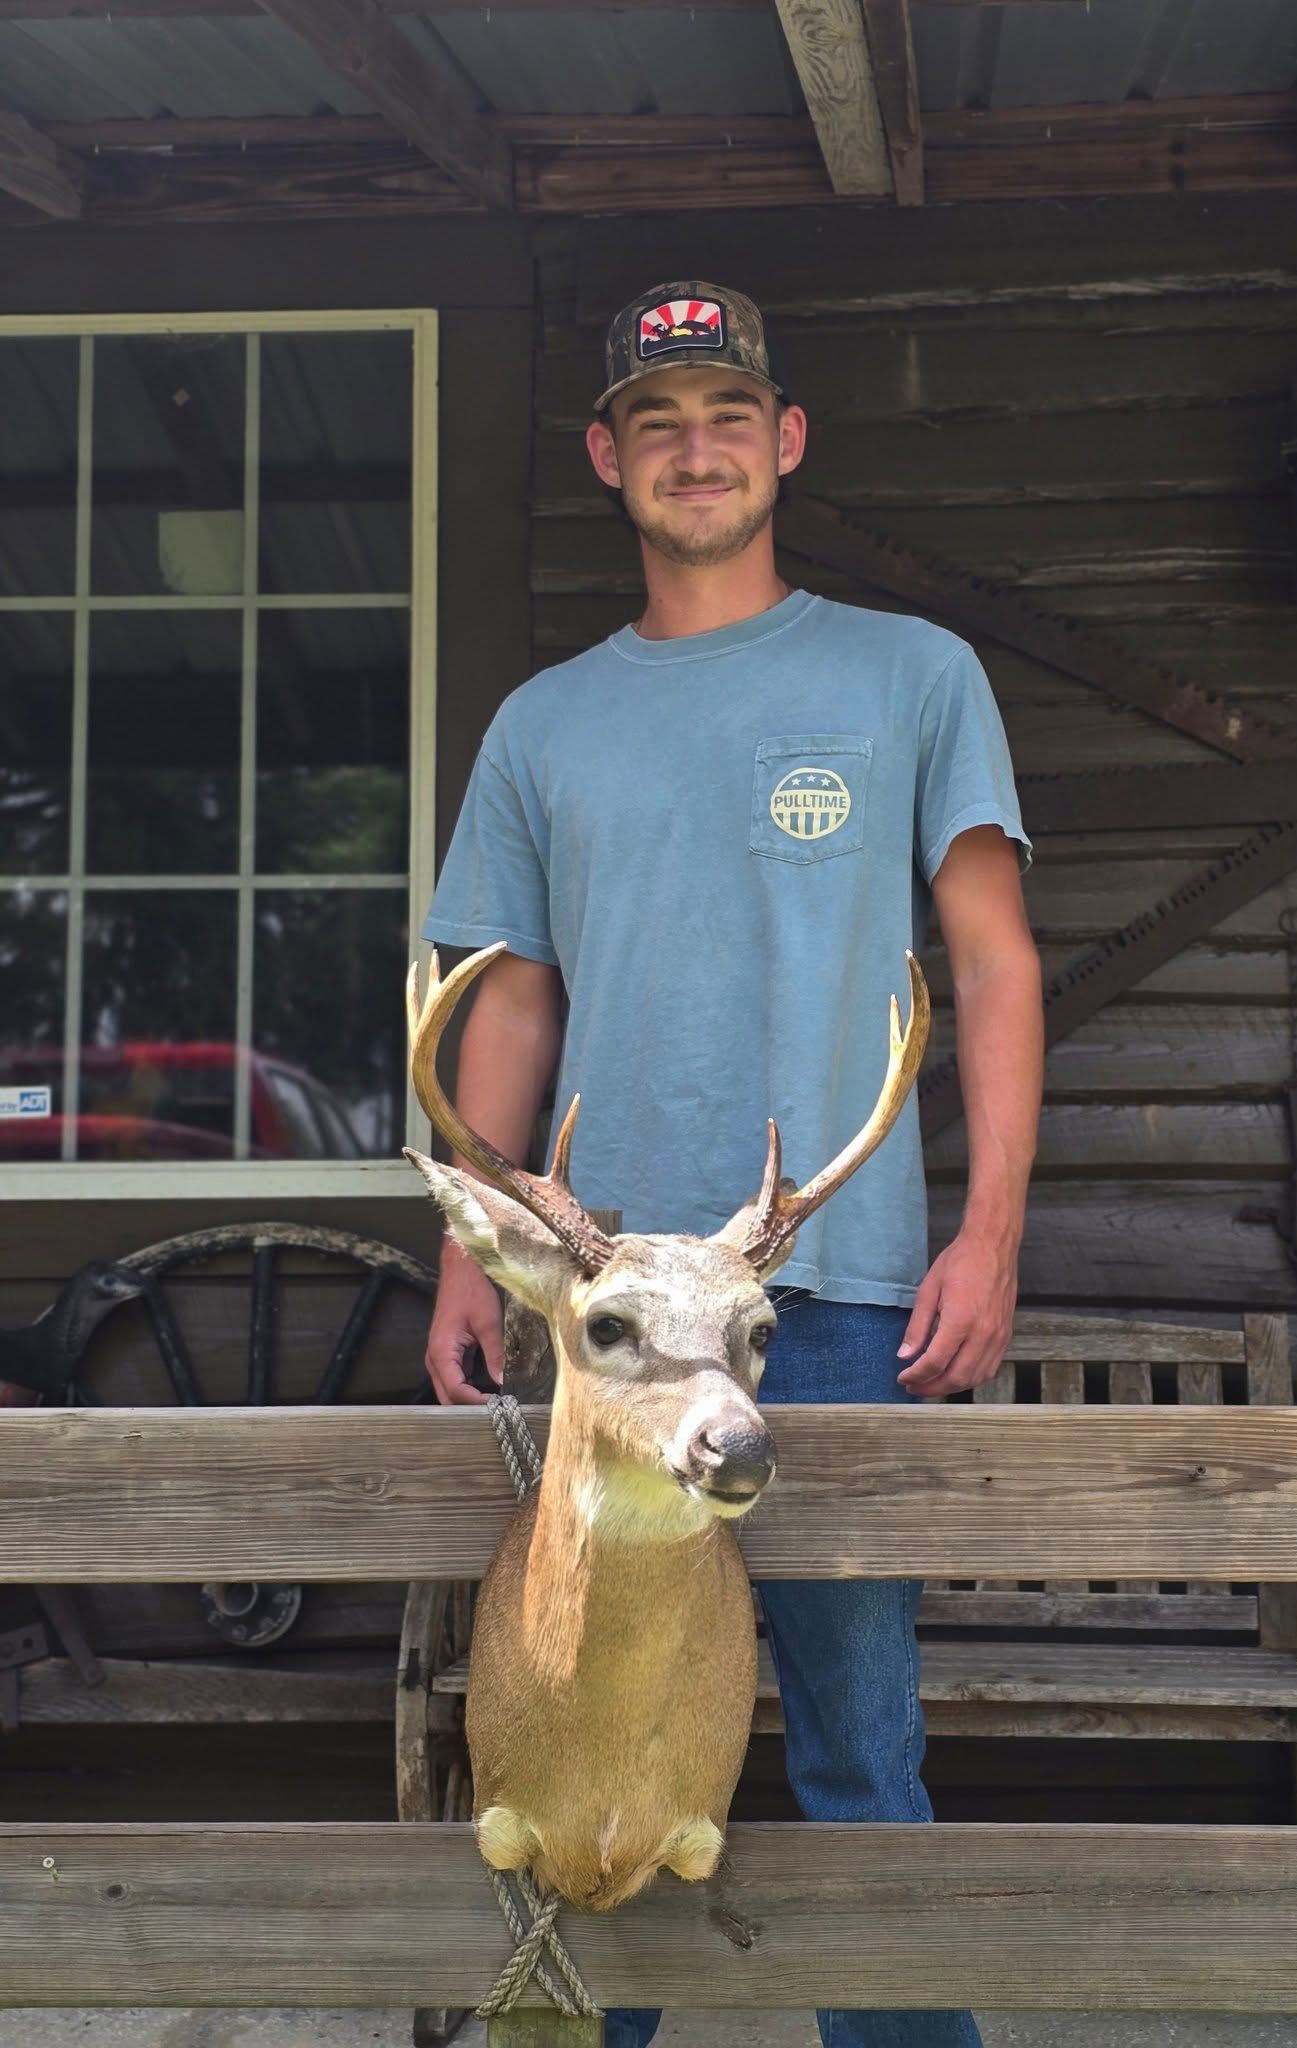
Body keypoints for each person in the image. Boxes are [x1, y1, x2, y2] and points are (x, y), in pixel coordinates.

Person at [421, 280, 1044, 2048]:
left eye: (728, 417)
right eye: (658, 422)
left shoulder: (913, 677)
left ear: (785, 442)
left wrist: (987, 1229)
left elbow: (991, 962)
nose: (696, 451)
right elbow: (511, 1000)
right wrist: (475, 1256)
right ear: (611, 458)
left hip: (828, 1304)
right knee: (595, 1757)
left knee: (860, 1751)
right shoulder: (544, 726)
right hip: (612, 1321)